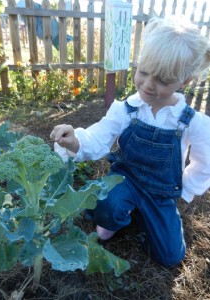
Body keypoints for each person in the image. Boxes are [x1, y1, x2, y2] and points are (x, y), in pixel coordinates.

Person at [50, 16, 210, 267]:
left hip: (161, 192)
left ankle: (149, 217)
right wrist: (74, 141)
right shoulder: (127, 110)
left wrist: (185, 189)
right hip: (126, 179)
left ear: (184, 81)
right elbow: (99, 135)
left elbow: (204, 162)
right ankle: (116, 216)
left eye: (162, 80)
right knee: (106, 204)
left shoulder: (193, 122)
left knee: (170, 257)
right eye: (143, 72)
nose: (147, 85)